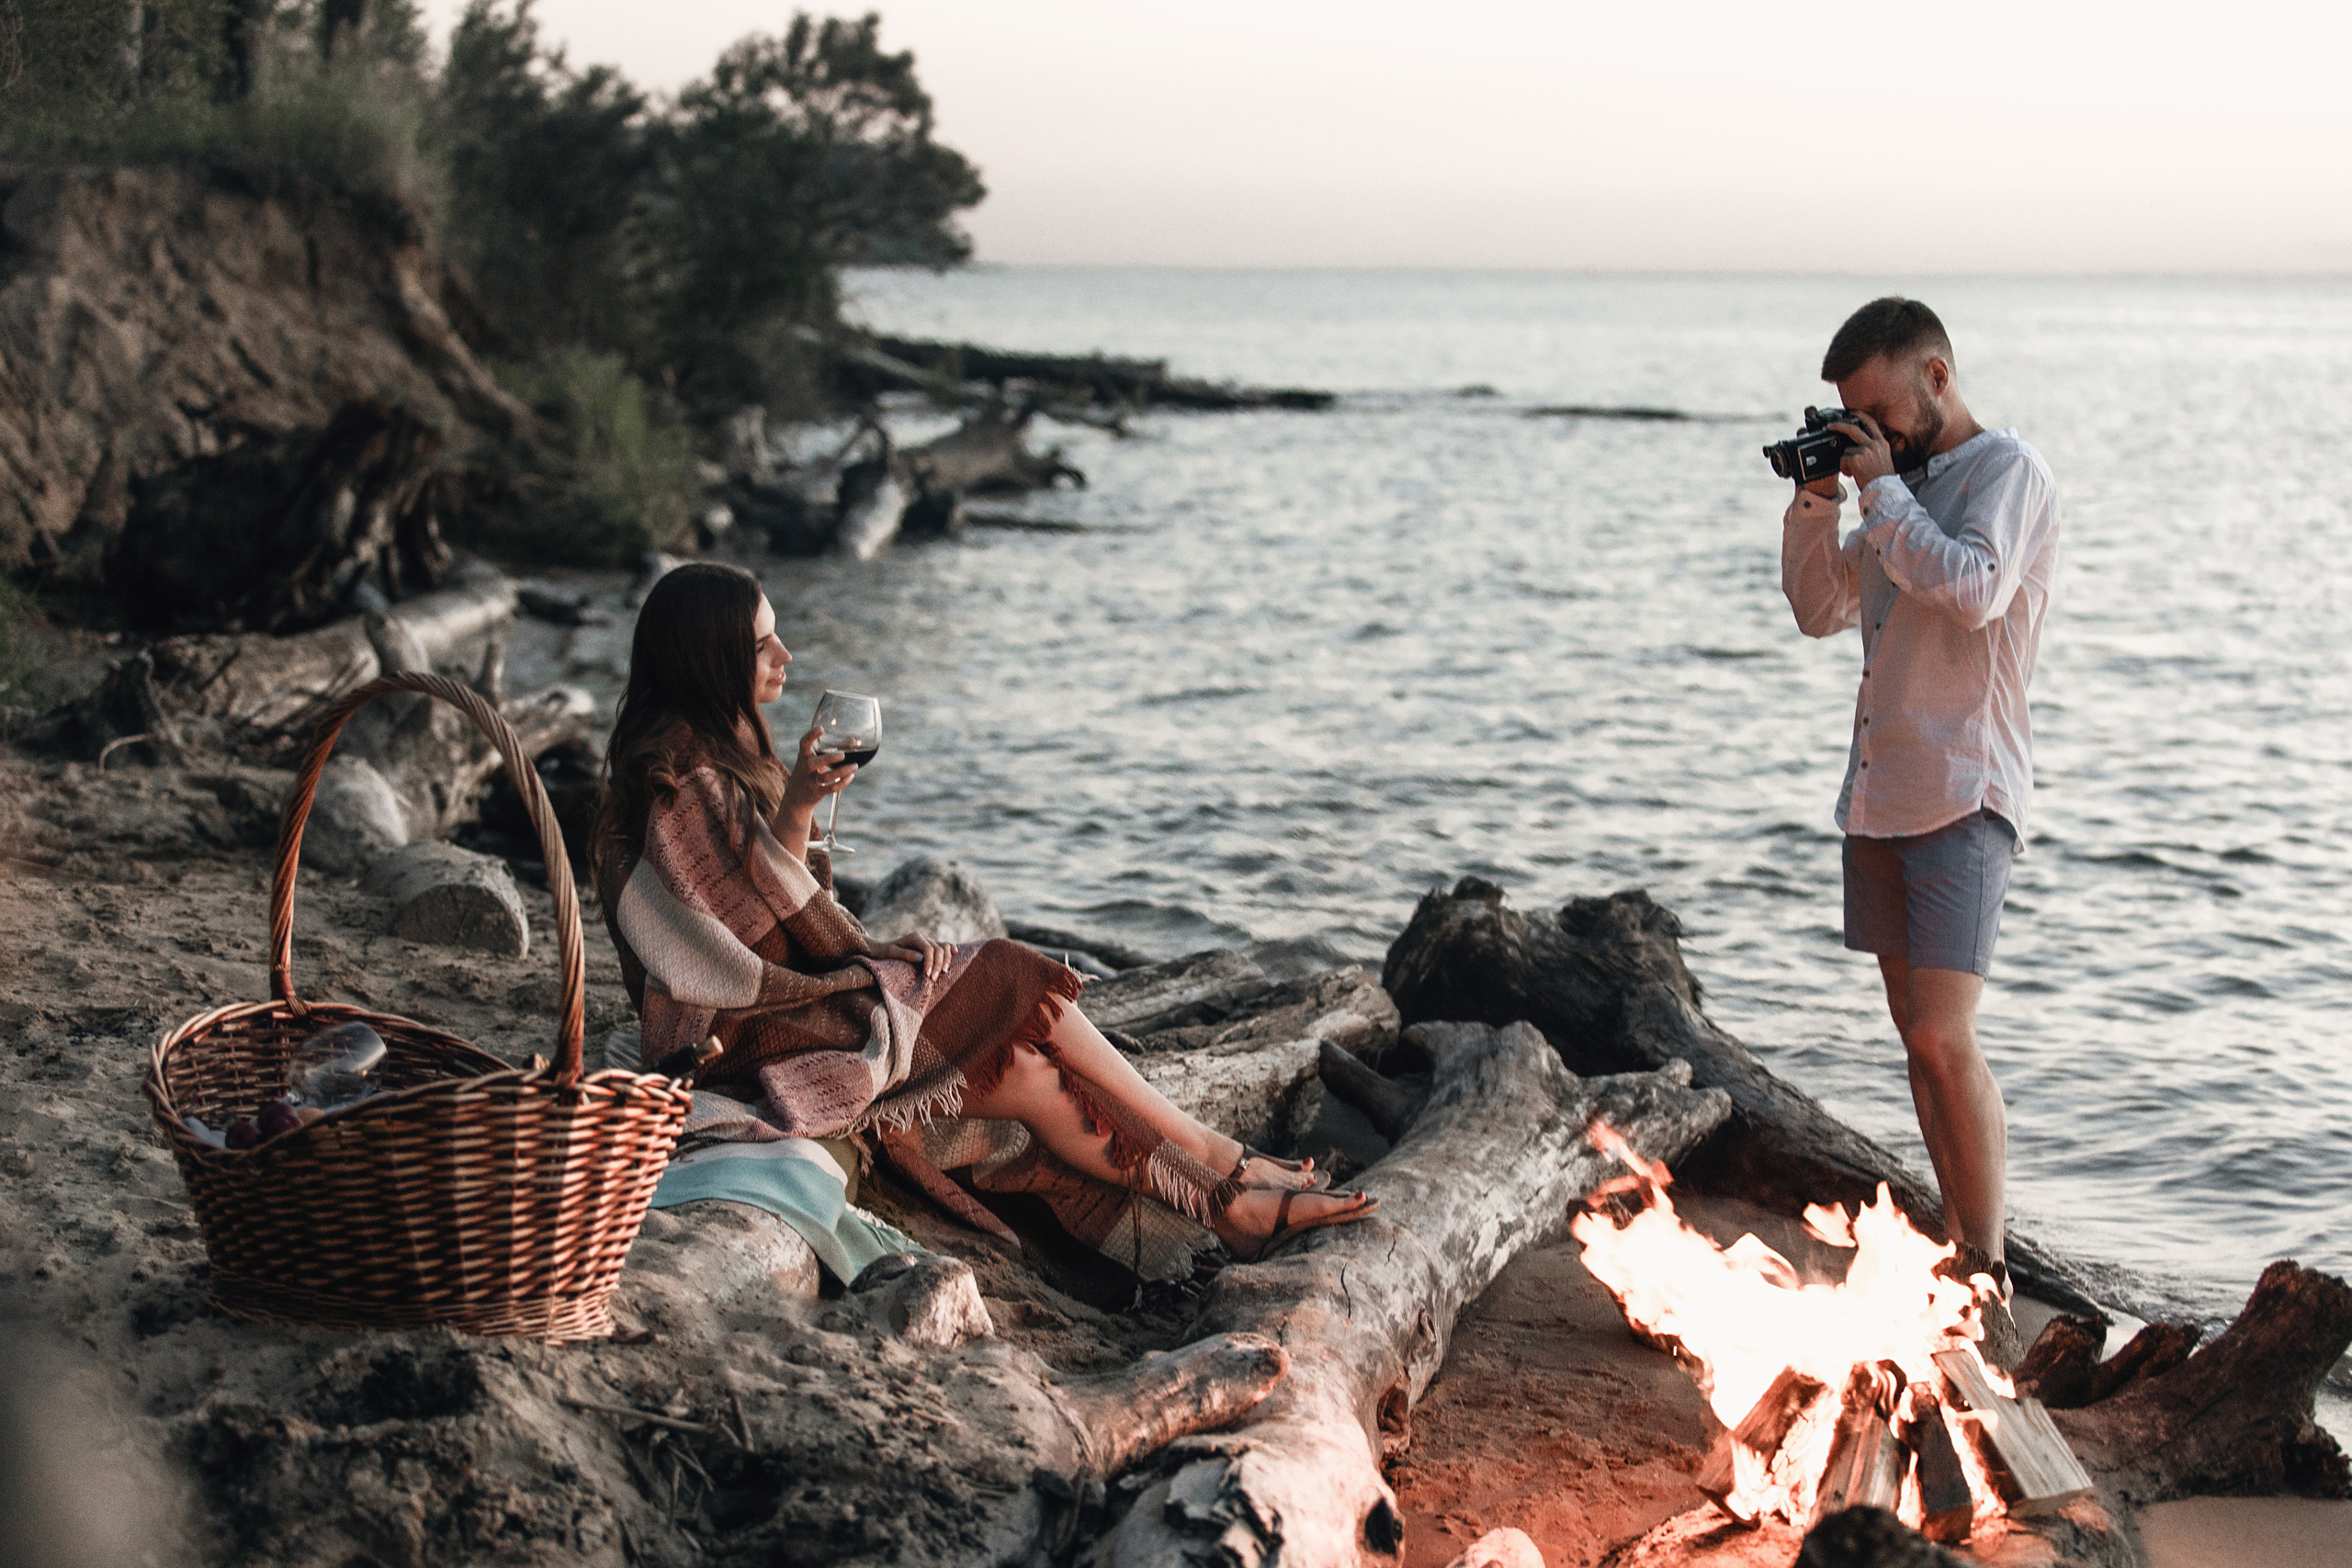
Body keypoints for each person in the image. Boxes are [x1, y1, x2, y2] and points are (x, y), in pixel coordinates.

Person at [590, 561, 1376, 1271]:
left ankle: (1222, 1203)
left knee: (1028, 1075)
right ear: (712, 659)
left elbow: (771, 905)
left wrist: (825, 866)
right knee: (1009, 971)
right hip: (738, 1037)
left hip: (775, 1008)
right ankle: (1223, 1171)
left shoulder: (706, 753)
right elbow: (736, 957)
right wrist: (848, 914)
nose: (786, 656)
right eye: (765, 645)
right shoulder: (676, 785)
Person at [1779, 299, 2061, 1361]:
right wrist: (1818, 502)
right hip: (1882, 791)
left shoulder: (2006, 474)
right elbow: (1818, 609)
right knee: (1916, 1043)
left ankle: (1984, 1267)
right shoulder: (1898, 490)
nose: (1871, 434)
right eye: (1853, 419)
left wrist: (1881, 489)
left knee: (1947, 1037)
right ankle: (1959, 1246)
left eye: (1880, 410)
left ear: (1935, 376)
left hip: (1963, 785)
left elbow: (1978, 591)